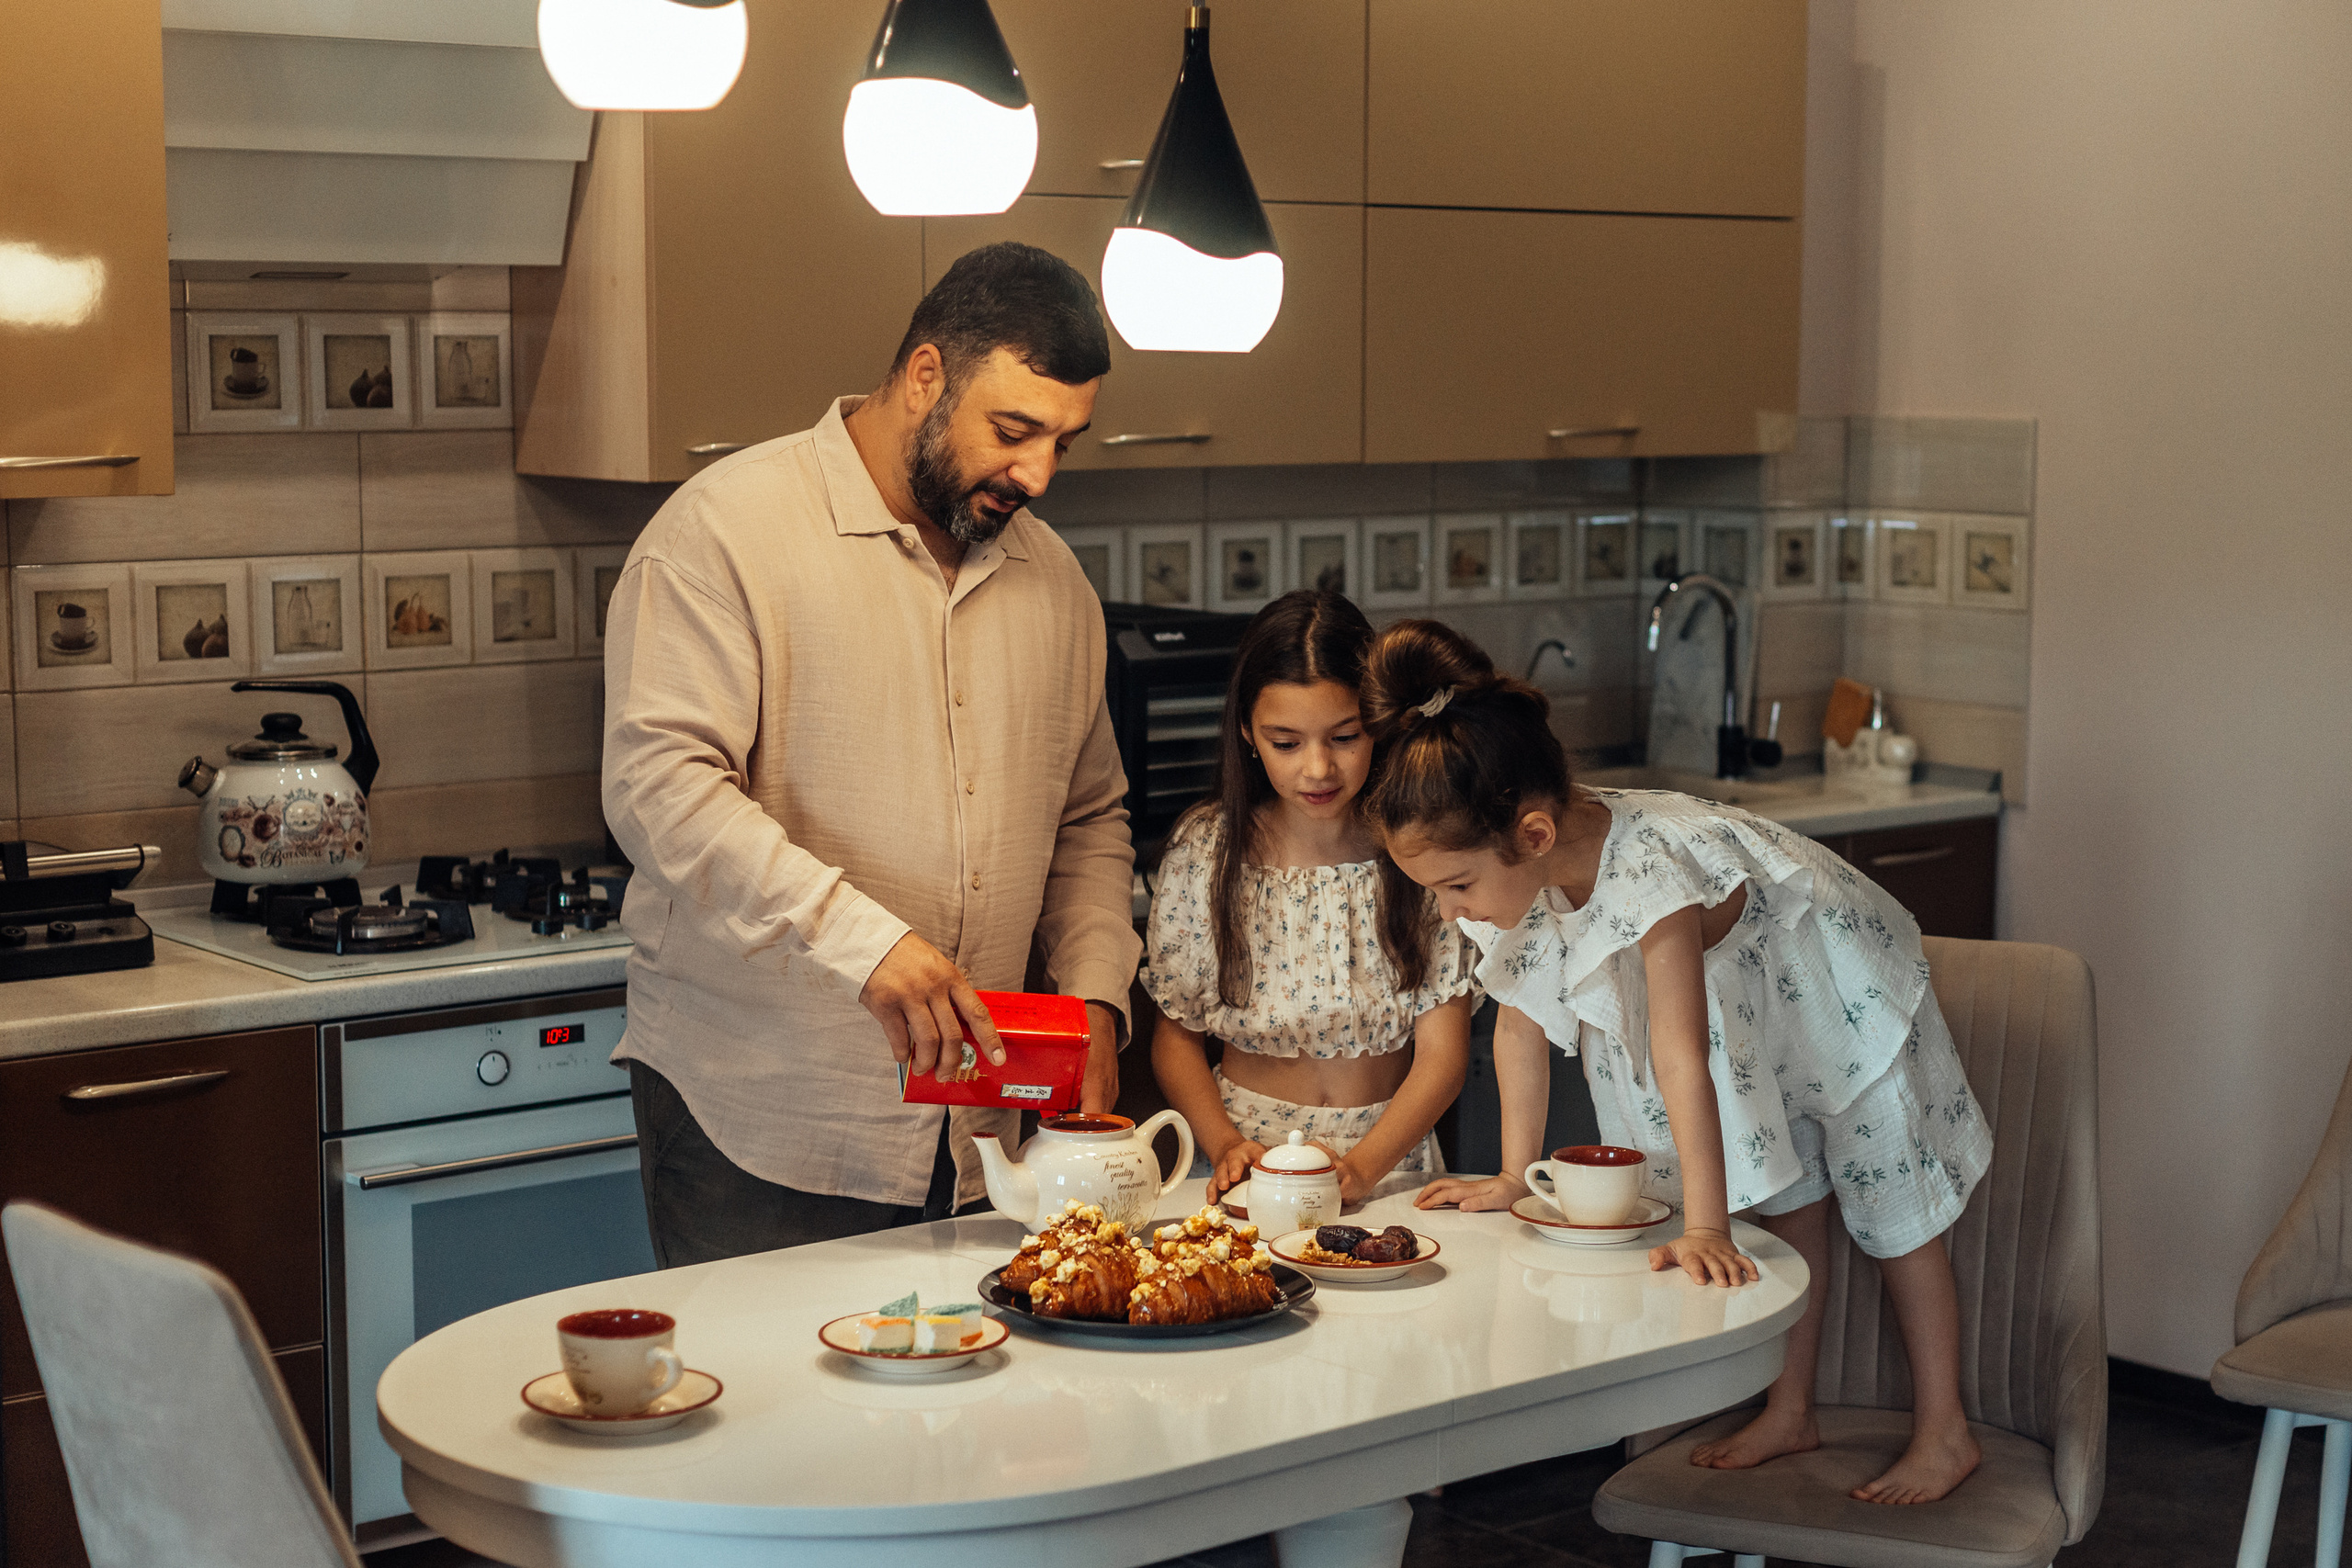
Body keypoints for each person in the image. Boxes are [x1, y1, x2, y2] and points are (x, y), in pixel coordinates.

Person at [1367, 620, 1993, 1506]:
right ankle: (1792, 1410)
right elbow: (1515, 1026)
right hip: (1750, 1003)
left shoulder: (1651, 873)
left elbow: (1681, 1059)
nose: (1446, 907)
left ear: (1534, 834)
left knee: (1897, 1211)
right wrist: (1514, 1174)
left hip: (1831, 988)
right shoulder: (1517, 858)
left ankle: (1946, 1430)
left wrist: (1705, 1227)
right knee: (1791, 1193)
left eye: (1455, 885)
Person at [601, 243, 1142, 1267]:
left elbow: (1088, 818)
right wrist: (868, 947)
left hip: (990, 1133)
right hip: (766, 1124)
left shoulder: (1055, 583)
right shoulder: (723, 533)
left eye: (1063, 443)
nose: (1036, 475)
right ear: (925, 375)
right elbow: (659, 788)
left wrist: (1097, 996)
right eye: (1014, 431)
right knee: (778, 1423)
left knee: (973, 1424)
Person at [1143, 590, 1478, 1208]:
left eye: (1345, 736)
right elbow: (1176, 1035)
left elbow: (1443, 1052)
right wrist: (1222, 1143)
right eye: (1287, 742)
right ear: (1248, 731)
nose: (1318, 768)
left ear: (1377, 722)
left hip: (1389, 1164)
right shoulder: (1207, 850)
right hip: (1248, 1164)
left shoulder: (1420, 850)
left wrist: (1361, 1167)